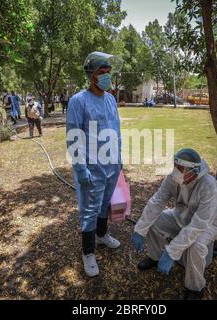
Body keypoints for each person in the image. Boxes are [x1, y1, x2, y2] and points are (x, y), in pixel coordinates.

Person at [131, 148, 217, 300]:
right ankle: (155, 258)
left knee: (196, 246)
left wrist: (171, 252)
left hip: (208, 225)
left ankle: (195, 288)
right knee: (154, 221)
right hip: (180, 216)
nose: (176, 171)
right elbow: (157, 201)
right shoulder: (174, 178)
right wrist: (140, 229)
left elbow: (198, 224)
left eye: (181, 169)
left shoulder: (210, 187)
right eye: (176, 166)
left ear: (194, 170)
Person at [66, 51, 123, 277]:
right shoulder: (78, 101)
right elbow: (73, 136)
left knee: (104, 204)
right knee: (89, 210)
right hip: (91, 167)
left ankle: (101, 235)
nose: (107, 77)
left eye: (109, 72)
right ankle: (88, 252)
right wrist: (81, 168)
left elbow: (115, 130)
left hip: (111, 165)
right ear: (92, 76)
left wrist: (119, 159)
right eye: (102, 73)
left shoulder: (110, 99)